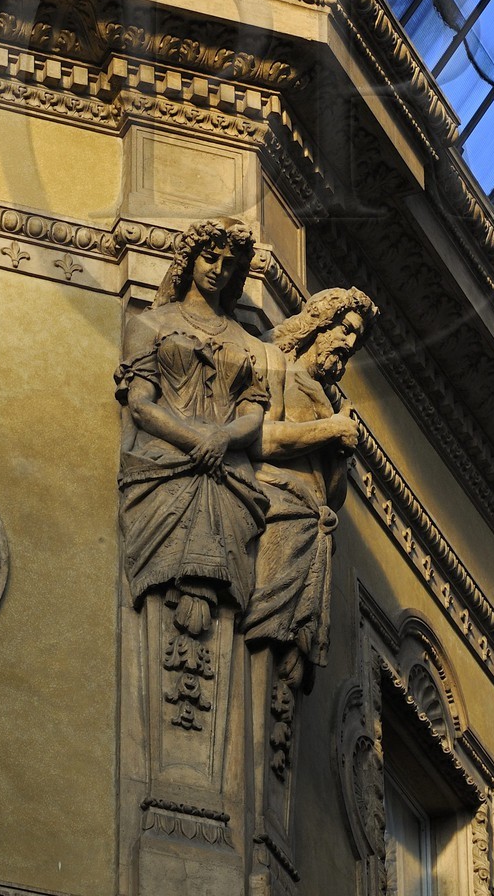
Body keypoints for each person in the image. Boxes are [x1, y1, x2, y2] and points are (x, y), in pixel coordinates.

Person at [115, 218, 270, 636]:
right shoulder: (150, 325)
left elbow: (252, 416)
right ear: (189, 259)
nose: (218, 269)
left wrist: (222, 438)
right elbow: (142, 405)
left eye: (229, 263)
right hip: (164, 464)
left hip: (230, 475)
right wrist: (199, 442)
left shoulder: (249, 344)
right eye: (209, 257)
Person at [243, 287, 377, 687]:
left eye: (355, 339)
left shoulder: (325, 396)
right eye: (345, 329)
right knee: (261, 641)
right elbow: (258, 440)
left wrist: (338, 453)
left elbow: (330, 495)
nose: (349, 343)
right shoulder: (275, 365)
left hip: (314, 530)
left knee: (289, 662)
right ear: (320, 322)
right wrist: (329, 429)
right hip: (278, 513)